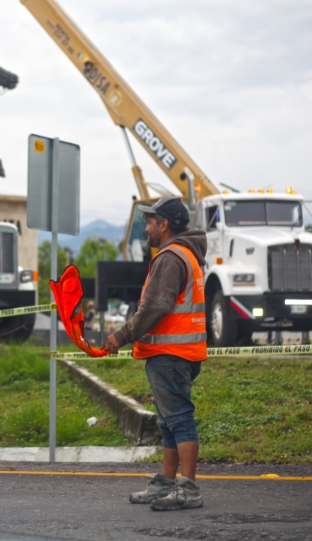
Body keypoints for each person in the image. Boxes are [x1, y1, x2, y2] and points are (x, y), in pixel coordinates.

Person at [104, 196, 207, 511]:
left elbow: (156, 306)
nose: (146, 228)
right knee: (168, 421)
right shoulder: (184, 255)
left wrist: (121, 336)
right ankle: (166, 482)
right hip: (177, 352)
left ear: (164, 225)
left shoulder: (170, 257)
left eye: (149, 222)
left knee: (179, 419)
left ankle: (187, 489)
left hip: (171, 352)